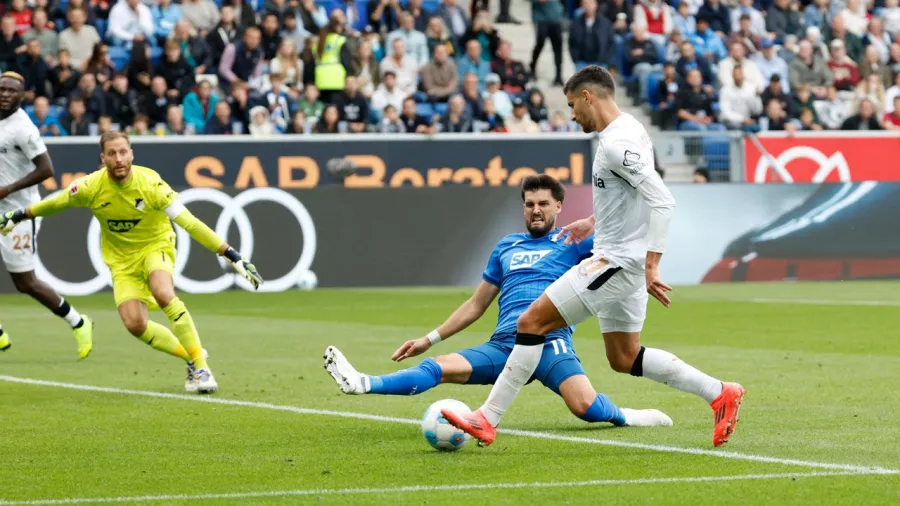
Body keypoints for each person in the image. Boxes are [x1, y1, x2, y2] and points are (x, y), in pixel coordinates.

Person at [441, 66, 744, 448]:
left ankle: (487, 417)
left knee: (531, 321)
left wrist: (652, 264)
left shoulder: (617, 144)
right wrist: (593, 219)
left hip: (616, 262)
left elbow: (663, 201)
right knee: (623, 355)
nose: (571, 115)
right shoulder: (630, 129)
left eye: (572, 105)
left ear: (588, 97)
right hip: (623, 258)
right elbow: (629, 193)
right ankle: (720, 393)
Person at [325, 175, 672, 429]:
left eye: (543, 204)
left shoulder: (575, 242)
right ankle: (363, 382)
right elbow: (476, 305)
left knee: (585, 407)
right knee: (436, 367)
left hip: (550, 343)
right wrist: (427, 339)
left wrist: (644, 265)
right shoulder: (507, 246)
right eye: (529, 204)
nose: (536, 211)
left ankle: (628, 416)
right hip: (505, 345)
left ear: (559, 207)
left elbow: (625, 243)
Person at [0, 131, 263, 392]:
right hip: (121, 261)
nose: (118, 159)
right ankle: (191, 357)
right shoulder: (91, 186)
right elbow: (58, 202)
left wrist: (231, 254)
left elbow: (190, 223)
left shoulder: (151, 185)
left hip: (155, 246)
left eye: (123, 152)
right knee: (135, 324)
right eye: (112, 153)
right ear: (103, 158)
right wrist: (20, 214)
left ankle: (202, 366)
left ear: (132, 154)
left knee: (163, 293)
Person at [0, 71, 93, 357]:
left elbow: (46, 169)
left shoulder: (23, 128)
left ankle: (78, 321)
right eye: (1, 89)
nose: (5, 94)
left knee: (25, 282)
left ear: (22, 96)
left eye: (11, 91)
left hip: (17, 213)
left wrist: (8, 189)